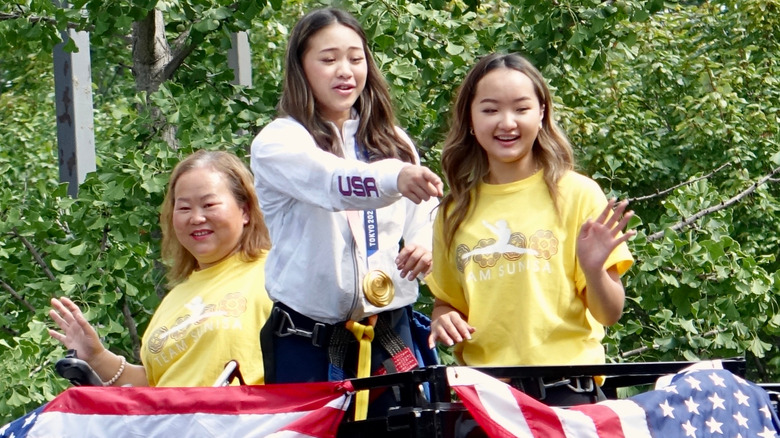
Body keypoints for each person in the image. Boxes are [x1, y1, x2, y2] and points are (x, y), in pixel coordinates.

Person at [250, 7, 442, 417]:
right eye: (328, 58)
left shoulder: (392, 140)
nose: (345, 71)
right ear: (300, 67)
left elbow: (425, 211)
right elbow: (333, 182)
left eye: (356, 58)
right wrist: (394, 177)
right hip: (307, 342)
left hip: (390, 333)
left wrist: (425, 244)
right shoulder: (280, 142)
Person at [427, 53, 635, 406]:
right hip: (487, 400)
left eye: (521, 109)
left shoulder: (578, 194)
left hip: (566, 396)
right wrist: (443, 318)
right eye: (490, 110)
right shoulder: (453, 210)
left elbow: (609, 314)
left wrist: (594, 269)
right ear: (470, 120)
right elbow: (446, 302)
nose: (506, 123)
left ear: (541, 113)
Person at [48, 150, 273, 387]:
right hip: (173, 423)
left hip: (245, 420)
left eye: (209, 205)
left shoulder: (275, 276)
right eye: (184, 208)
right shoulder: (175, 298)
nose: (196, 218)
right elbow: (156, 386)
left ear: (245, 211)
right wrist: (97, 357)